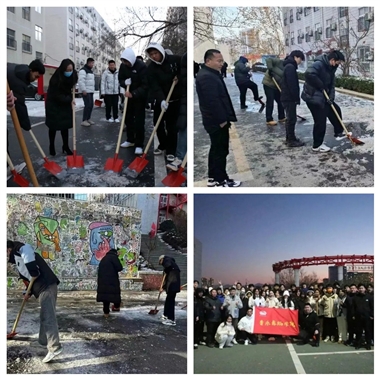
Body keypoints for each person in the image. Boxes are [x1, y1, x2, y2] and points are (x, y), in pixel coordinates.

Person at [7, 240, 62, 363]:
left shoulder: (20, 249)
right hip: (41, 288)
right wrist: (28, 292)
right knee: (45, 315)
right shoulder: (17, 259)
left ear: (8, 248)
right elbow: (28, 278)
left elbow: (28, 256)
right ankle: (43, 342)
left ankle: (55, 347)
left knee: (48, 316)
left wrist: (33, 270)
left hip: (46, 285)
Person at [195, 49, 241, 188]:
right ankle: (221, 179)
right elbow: (212, 101)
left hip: (214, 120)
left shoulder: (210, 74)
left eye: (222, 61)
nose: (222, 63)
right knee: (221, 150)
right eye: (219, 61)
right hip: (216, 121)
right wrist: (222, 120)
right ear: (208, 61)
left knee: (216, 148)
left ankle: (213, 177)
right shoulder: (207, 77)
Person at [301, 50, 348, 152]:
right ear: (332, 60)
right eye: (338, 62)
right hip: (313, 97)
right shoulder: (319, 64)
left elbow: (331, 85)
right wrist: (321, 85)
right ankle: (317, 145)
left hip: (323, 96)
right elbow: (309, 74)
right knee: (320, 121)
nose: (338, 65)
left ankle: (338, 132)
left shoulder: (331, 68)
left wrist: (331, 98)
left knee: (335, 109)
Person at [7, 59, 45, 177]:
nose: (36, 79)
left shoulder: (20, 69)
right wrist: (26, 125)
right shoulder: (19, 82)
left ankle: (6, 166)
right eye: (36, 75)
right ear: (31, 70)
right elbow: (20, 106)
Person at [145, 42, 182, 162]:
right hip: (161, 101)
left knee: (172, 127)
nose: (154, 56)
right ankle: (163, 144)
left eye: (155, 53)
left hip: (175, 100)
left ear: (161, 52)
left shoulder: (175, 60)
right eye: (151, 54)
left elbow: (186, 69)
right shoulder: (151, 68)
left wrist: (179, 77)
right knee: (158, 124)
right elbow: (154, 86)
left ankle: (171, 150)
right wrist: (161, 100)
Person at [118, 48, 149, 155]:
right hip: (128, 97)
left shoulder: (141, 66)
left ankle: (139, 144)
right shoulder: (123, 66)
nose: (125, 63)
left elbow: (145, 85)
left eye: (126, 61)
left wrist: (134, 93)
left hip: (139, 98)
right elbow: (120, 79)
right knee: (128, 119)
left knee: (139, 121)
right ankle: (130, 140)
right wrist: (124, 83)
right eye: (123, 61)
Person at [45, 59, 78, 156]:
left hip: (65, 104)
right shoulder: (56, 78)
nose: (69, 72)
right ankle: (51, 145)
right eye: (67, 70)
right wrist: (69, 99)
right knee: (53, 126)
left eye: (71, 70)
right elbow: (56, 95)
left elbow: (74, 81)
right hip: (54, 104)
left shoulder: (73, 75)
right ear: (63, 69)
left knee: (65, 125)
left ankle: (66, 146)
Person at [281, 50, 305, 147]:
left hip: (287, 97)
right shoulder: (290, 67)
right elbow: (292, 85)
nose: (301, 62)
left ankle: (290, 138)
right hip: (289, 98)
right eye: (300, 59)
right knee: (291, 119)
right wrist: (296, 98)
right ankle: (291, 140)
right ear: (296, 57)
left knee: (290, 119)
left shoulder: (288, 66)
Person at [167, 52, 187, 172]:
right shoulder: (182, 66)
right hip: (183, 100)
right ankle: (179, 157)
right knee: (183, 128)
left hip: (183, 100)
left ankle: (182, 158)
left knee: (185, 129)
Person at [96, 247, 123, 318]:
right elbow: (119, 267)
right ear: (115, 253)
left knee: (105, 297)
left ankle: (106, 313)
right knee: (115, 294)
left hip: (103, 281)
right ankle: (116, 307)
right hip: (112, 280)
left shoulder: (104, 259)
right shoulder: (114, 257)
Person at [262, 57, 286, 126]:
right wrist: (270, 70)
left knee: (280, 101)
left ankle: (281, 117)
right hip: (268, 84)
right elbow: (269, 59)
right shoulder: (279, 62)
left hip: (276, 86)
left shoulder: (287, 69)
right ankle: (269, 119)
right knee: (270, 101)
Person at [158, 255, 181, 326]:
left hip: (172, 286)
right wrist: (163, 287)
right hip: (172, 286)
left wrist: (165, 270)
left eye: (161, 263)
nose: (162, 265)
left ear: (162, 259)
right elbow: (167, 279)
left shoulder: (167, 260)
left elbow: (168, 265)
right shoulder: (172, 268)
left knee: (170, 302)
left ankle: (171, 319)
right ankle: (166, 316)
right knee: (169, 301)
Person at [352, 283, 373, 350]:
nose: (361, 289)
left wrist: (372, 315)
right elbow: (353, 307)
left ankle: (368, 344)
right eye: (360, 288)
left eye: (362, 288)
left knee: (368, 331)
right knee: (358, 331)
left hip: (367, 317)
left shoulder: (369, 297)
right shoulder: (356, 297)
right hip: (358, 317)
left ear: (365, 289)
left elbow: (372, 307)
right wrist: (353, 315)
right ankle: (358, 344)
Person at [78, 57, 95, 127]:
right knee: (87, 105)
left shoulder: (90, 71)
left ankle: (88, 118)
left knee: (91, 105)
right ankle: (84, 120)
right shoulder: (83, 70)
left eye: (93, 63)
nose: (93, 64)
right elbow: (81, 81)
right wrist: (83, 90)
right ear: (88, 63)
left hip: (90, 91)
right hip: (86, 91)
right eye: (92, 63)